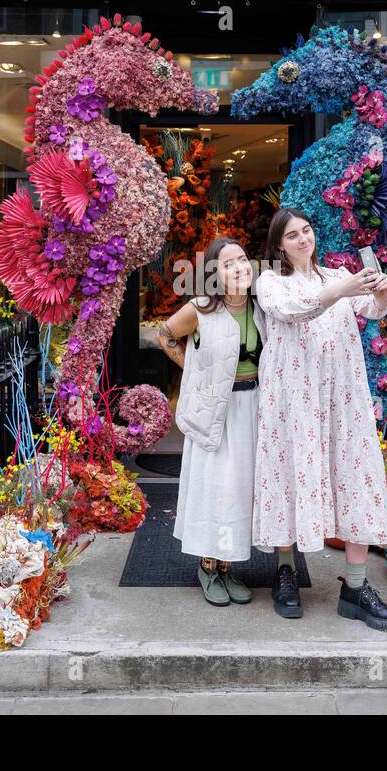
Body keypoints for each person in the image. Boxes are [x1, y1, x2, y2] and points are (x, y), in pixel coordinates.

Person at [252, 208, 387, 631]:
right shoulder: (270, 282)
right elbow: (294, 310)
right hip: (292, 402)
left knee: (354, 479)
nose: (303, 239)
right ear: (279, 244)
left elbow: (373, 310)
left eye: (307, 231)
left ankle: (355, 588)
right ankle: (285, 573)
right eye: (293, 235)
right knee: (287, 475)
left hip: (341, 399)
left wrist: (382, 292)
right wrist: (343, 288)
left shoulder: (336, 273)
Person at [157, 237, 265, 607]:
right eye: (228, 263)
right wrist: (195, 372)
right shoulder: (200, 309)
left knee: (238, 488)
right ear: (214, 274)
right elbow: (165, 335)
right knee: (214, 487)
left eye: (242, 259)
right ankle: (207, 566)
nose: (239, 267)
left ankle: (227, 567)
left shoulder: (262, 306)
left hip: (251, 406)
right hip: (214, 410)